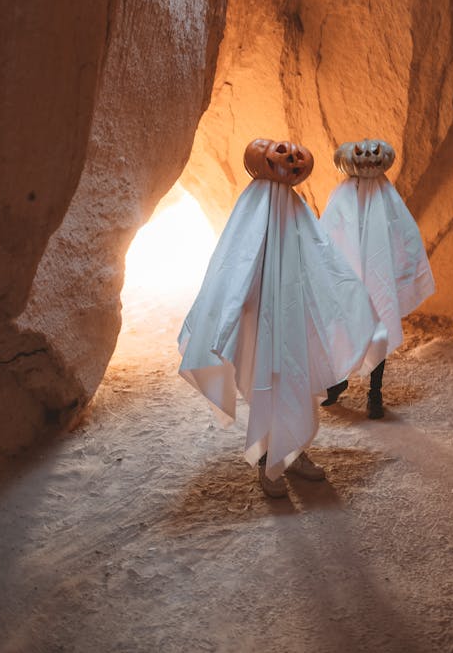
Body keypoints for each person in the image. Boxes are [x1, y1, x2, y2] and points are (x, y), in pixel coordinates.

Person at [178, 138, 386, 497]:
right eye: (282, 155)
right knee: (268, 388)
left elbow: (321, 256)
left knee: (298, 386)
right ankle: (267, 463)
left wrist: (347, 299)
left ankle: (295, 452)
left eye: (295, 157)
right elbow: (236, 262)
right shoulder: (254, 207)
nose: (292, 159)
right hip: (261, 319)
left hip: (295, 316)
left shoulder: (295, 209)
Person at [320, 138, 435, 418]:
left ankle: (375, 392)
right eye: (361, 154)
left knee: (379, 329)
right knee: (342, 327)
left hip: (379, 275)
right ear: (349, 159)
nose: (368, 158)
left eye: (373, 154)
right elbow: (329, 231)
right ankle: (338, 382)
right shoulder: (343, 193)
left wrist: (402, 268)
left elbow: (403, 230)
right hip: (348, 274)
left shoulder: (385, 194)